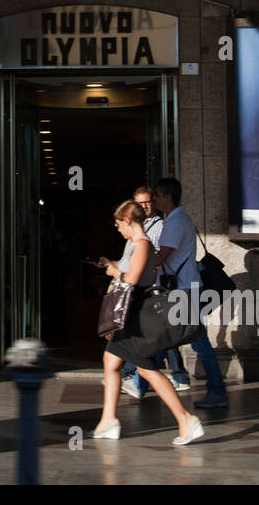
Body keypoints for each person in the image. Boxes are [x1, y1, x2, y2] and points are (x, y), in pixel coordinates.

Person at [92, 200, 204, 446]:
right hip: (132, 314)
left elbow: (133, 279)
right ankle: (108, 420)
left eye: (119, 223)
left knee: (145, 369)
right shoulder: (136, 245)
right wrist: (113, 265)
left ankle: (186, 420)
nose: (118, 228)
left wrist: (114, 273)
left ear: (128, 221)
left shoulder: (142, 245)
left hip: (135, 315)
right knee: (113, 363)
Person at [152, 177, 228, 408]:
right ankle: (141, 380)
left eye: (156, 195)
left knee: (195, 340)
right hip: (186, 288)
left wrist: (134, 269)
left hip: (184, 290)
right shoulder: (179, 219)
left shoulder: (175, 222)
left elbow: (163, 255)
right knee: (167, 337)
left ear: (168, 197)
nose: (154, 199)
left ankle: (216, 390)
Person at [120, 186, 192, 398]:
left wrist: (120, 272)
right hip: (152, 288)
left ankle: (152, 380)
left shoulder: (157, 228)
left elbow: (154, 261)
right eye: (139, 203)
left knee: (161, 337)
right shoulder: (142, 228)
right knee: (160, 336)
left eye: (148, 201)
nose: (145, 206)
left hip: (155, 289)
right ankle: (163, 377)